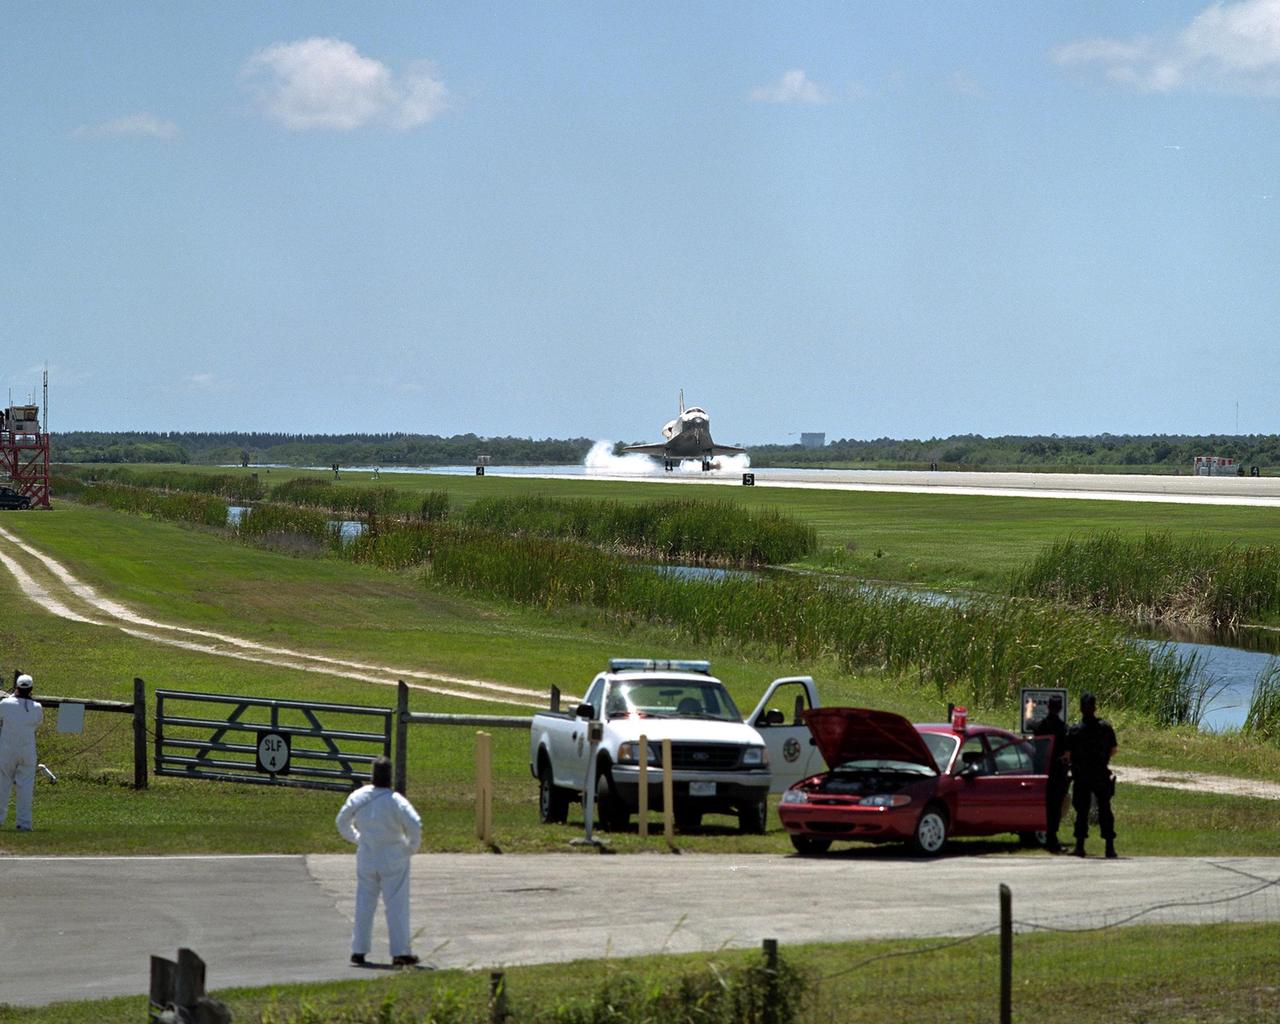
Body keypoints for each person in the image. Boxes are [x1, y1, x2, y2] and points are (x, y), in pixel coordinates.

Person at [336, 756, 423, 966]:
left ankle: (358, 950)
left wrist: (357, 838)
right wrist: (410, 848)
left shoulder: (359, 796)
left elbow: (342, 821)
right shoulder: (396, 801)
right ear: (390, 777)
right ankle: (400, 952)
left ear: (372, 775)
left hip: (367, 854)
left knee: (364, 903)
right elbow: (415, 823)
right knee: (396, 905)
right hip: (393, 855)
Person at [1066, 692, 1118, 858]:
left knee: (1082, 811)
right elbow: (1113, 750)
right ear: (1095, 708)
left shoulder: (1075, 730)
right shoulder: (1105, 728)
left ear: (1081, 709)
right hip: (1100, 773)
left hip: (1082, 775)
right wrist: (1103, 760)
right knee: (1104, 809)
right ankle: (1109, 847)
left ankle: (1080, 846)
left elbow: (1067, 754)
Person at [0, 674, 44, 831]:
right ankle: (24, 824)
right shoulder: (37, 707)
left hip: (6, 750)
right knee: (25, 788)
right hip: (27, 750)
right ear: (31, 689)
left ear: (17, 687)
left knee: (2, 785)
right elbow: (37, 723)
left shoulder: (5, 704)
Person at [1030, 694, 1070, 853]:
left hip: (1042, 771)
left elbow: (1028, 723)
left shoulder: (1041, 726)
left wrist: (1028, 709)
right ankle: (1052, 838)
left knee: (1045, 806)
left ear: (1048, 707)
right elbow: (1068, 753)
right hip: (1058, 772)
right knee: (1055, 808)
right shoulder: (1064, 728)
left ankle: (1045, 836)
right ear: (1060, 708)